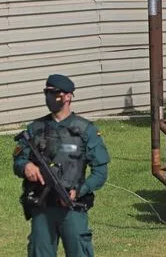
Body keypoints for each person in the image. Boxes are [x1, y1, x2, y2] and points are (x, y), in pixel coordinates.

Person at [13, 74, 110, 257]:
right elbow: (18, 161)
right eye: (47, 93)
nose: (50, 98)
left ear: (68, 96)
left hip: (72, 208)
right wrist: (26, 166)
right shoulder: (35, 128)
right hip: (42, 208)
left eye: (54, 93)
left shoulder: (85, 130)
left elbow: (100, 171)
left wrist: (79, 190)